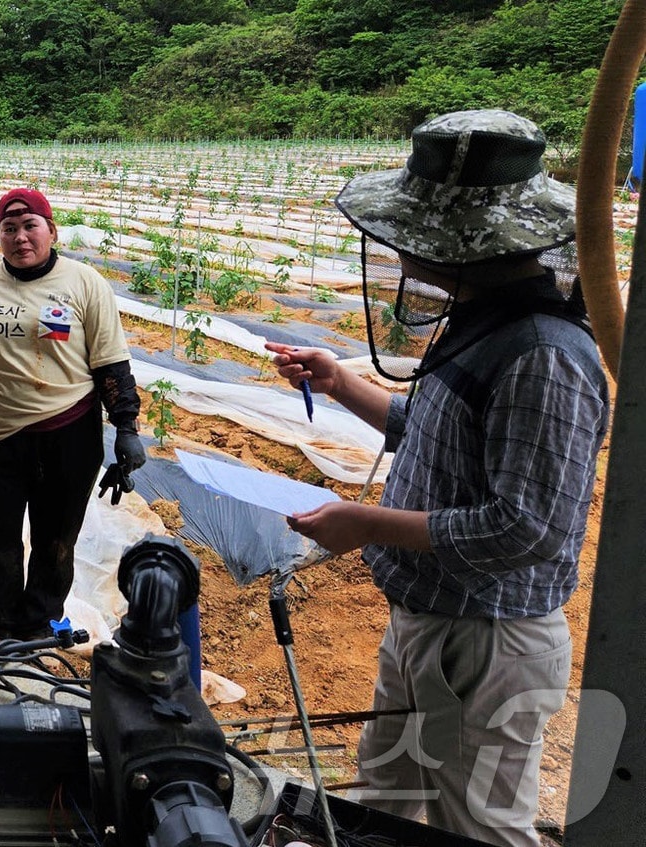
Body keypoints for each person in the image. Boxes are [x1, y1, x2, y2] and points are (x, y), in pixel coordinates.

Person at [267, 110, 609, 847]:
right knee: (382, 808)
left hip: (486, 645)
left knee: (480, 825)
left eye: (419, 233)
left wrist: (364, 525)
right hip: (431, 625)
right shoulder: (485, 319)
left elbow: (526, 528)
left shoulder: (543, 354)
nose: (404, 248)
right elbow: (431, 435)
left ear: (466, 247)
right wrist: (340, 385)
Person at [0, 187, 146, 641]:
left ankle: (40, 626)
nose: (20, 237)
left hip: (68, 432)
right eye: (9, 229)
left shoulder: (84, 283)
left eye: (30, 227)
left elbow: (110, 362)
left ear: (51, 230)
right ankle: (4, 624)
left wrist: (126, 427)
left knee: (55, 541)